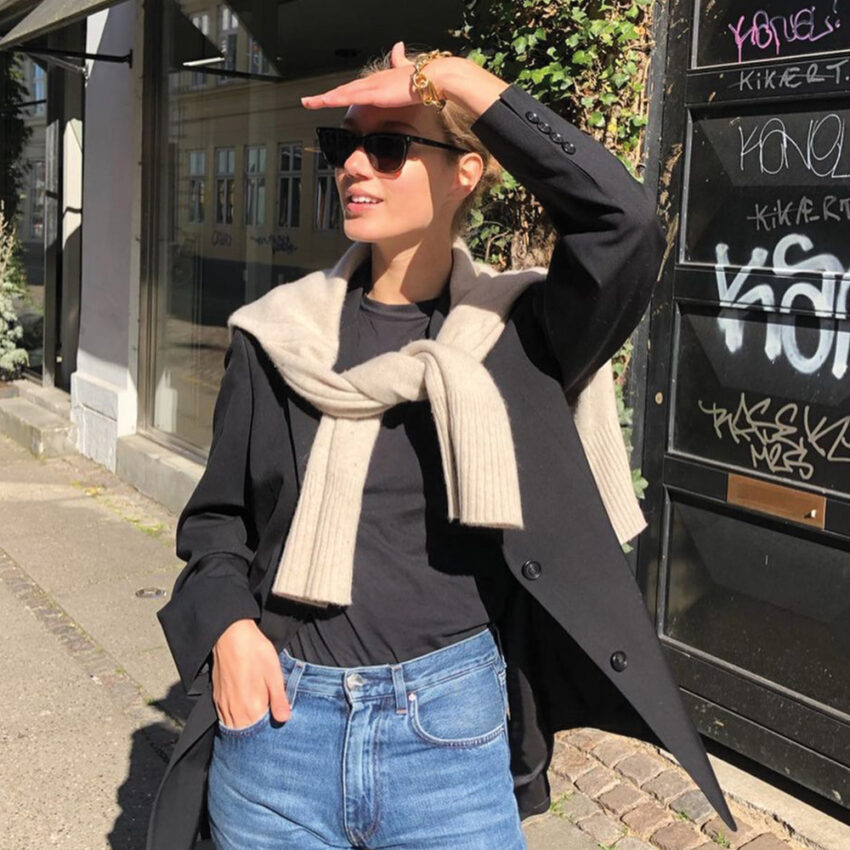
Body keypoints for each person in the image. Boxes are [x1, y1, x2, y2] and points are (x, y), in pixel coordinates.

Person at [148, 40, 737, 850]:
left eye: (389, 147)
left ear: (465, 172)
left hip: (449, 737)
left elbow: (626, 222)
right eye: (345, 145)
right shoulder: (277, 336)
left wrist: (453, 78)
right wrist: (230, 634)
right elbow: (218, 522)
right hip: (282, 726)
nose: (355, 166)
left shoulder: (523, 336)